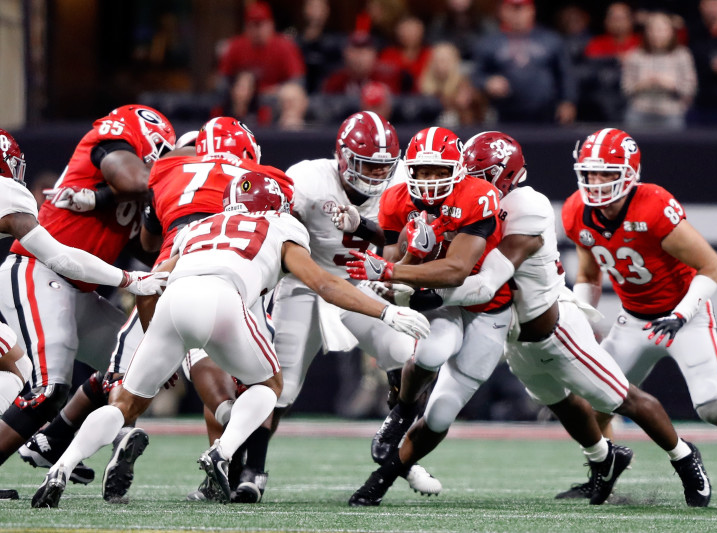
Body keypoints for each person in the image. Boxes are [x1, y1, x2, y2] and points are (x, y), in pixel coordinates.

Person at [30, 171, 430, 508]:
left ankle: (62, 466)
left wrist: (157, 339)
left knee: (127, 402)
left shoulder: (199, 227)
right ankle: (221, 453)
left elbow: (149, 285)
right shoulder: (282, 226)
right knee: (271, 385)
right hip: (222, 299)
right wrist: (387, 311)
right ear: (277, 205)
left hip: (175, 300)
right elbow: (324, 284)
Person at [419, 131, 712, 506]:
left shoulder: (525, 206)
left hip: (556, 327)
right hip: (518, 336)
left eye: (482, 174)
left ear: (505, 174)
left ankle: (685, 458)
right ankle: (603, 463)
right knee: (559, 402)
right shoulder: (471, 205)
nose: (472, 183)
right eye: (467, 174)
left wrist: (419, 292)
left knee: (621, 398)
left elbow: (483, 285)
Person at [17, 118, 279, 503]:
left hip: (169, 279)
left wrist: (98, 199)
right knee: (259, 386)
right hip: (227, 288)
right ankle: (233, 463)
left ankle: (61, 454)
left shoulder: (171, 171)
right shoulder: (260, 182)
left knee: (121, 386)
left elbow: (149, 240)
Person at [560, 128, 717, 497]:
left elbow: (712, 267)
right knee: (595, 403)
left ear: (630, 173)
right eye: (590, 173)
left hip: (684, 316)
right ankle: (605, 473)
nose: (597, 183)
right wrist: (581, 319)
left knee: (714, 409)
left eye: (607, 173)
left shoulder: (652, 206)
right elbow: (588, 274)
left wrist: (681, 315)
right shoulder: (576, 210)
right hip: (633, 319)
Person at [264, 111, 442, 498]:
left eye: (382, 167)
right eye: (365, 165)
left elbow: (400, 242)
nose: (375, 176)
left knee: (406, 354)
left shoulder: (401, 185)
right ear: (342, 156)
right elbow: (276, 234)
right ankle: (250, 468)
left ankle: (400, 451)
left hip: (364, 280)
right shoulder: (309, 180)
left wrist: (369, 235)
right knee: (282, 385)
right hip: (305, 279)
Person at [0, 106, 174, 475]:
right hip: (38, 271)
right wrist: (128, 279)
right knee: (47, 388)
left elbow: (146, 247)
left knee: (139, 366)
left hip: (79, 289)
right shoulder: (115, 152)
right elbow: (62, 256)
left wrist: (101, 199)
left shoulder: (139, 196)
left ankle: (52, 441)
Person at [345, 126, 514, 506]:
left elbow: (457, 269)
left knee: (440, 414)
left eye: (440, 171)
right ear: (410, 169)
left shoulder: (480, 196)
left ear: (458, 169)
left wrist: (393, 272)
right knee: (429, 354)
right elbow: (391, 271)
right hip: (438, 300)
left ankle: (381, 477)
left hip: (486, 305)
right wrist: (404, 259)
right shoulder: (396, 197)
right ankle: (401, 412)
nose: (430, 179)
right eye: (422, 170)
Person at [471, 0, 577, 125]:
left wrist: (568, 101)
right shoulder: (489, 42)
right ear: (502, 11)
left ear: (532, 10)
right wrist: (487, 82)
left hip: (546, 113)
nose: (517, 14)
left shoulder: (551, 39)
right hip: (505, 114)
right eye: (512, 9)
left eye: (522, 8)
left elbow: (566, 74)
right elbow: (476, 75)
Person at [215, 2, 308, 127]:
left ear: (271, 25)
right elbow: (223, 81)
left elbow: (298, 82)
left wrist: (274, 90)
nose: (257, 30)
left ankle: (289, 132)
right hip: (244, 99)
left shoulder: (284, 46)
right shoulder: (237, 46)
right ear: (246, 27)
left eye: (261, 25)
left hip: (273, 99)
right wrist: (238, 89)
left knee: (291, 93)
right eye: (253, 25)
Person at [621, 11, 697, 130]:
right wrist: (643, 84)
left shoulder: (682, 55)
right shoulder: (635, 55)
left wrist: (670, 84)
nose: (657, 34)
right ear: (646, 33)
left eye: (662, 30)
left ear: (671, 32)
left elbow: (690, 89)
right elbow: (625, 89)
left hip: (671, 114)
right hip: (639, 113)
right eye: (653, 30)